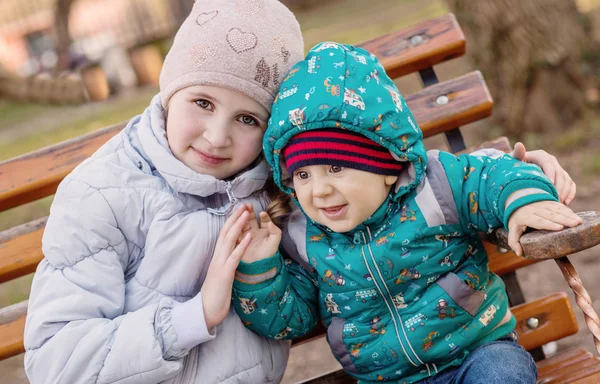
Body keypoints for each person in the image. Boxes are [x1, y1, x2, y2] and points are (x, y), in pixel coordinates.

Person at [231, 42, 582, 384]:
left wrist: (523, 201)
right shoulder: (305, 239)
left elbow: (492, 174)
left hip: (478, 353)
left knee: (502, 375)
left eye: (336, 168)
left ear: (387, 165)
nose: (318, 190)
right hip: (385, 379)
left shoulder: (436, 186)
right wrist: (260, 270)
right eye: (303, 176)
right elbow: (289, 321)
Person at [22, 1, 304, 383]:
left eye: (247, 119)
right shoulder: (103, 194)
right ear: (171, 92)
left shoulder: (278, 188)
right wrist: (194, 317)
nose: (217, 137)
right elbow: (57, 363)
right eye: (203, 102)